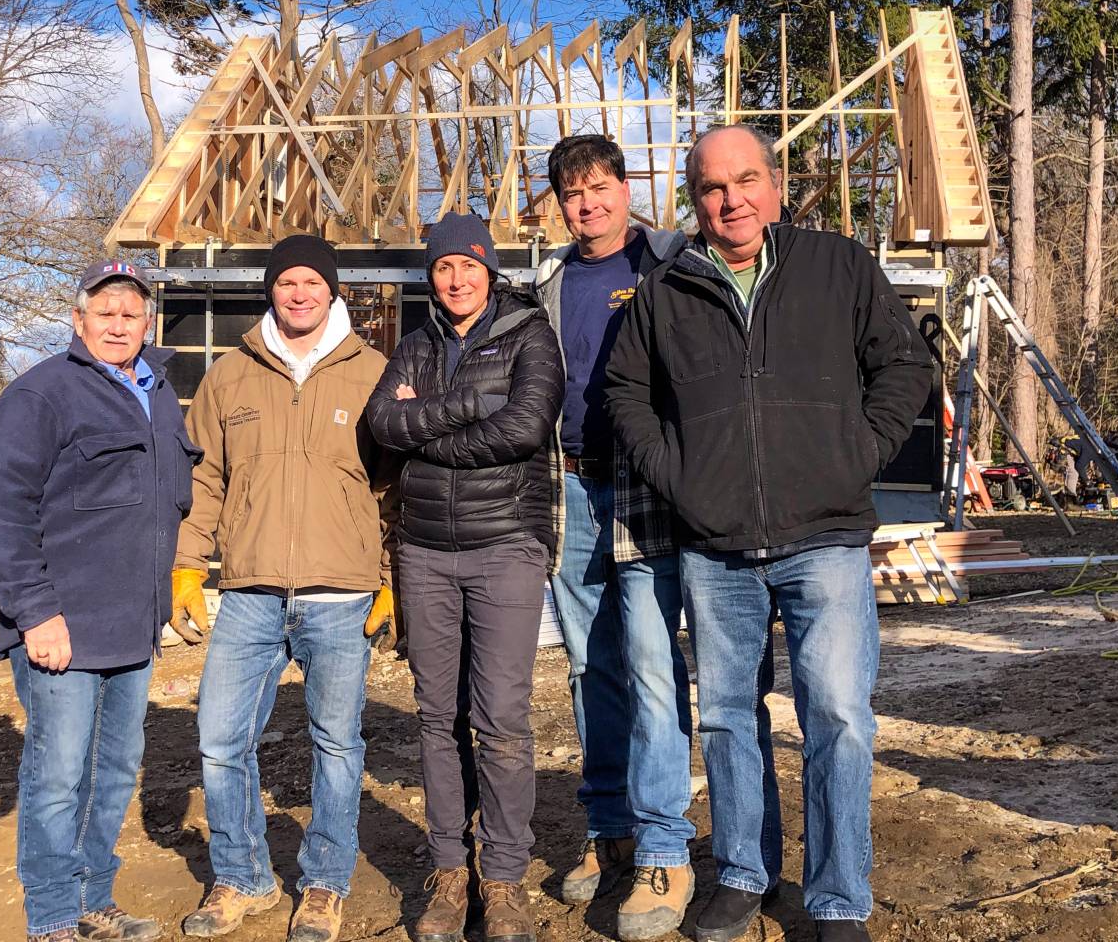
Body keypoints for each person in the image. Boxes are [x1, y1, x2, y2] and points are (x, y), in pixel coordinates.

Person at [604, 125, 932, 942]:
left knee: (839, 717)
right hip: (715, 547)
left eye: (746, 180)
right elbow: (625, 393)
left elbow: (904, 366)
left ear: (775, 184)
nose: (732, 200)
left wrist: (856, 453)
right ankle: (746, 875)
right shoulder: (666, 290)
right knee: (725, 716)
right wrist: (680, 476)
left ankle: (837, 897)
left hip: (825, 537)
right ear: (695, 199)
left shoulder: (836, 266)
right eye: (713, 188)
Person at [172, 233, 395, 942]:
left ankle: (325, 884)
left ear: (332, 291)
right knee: (219, 740)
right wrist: (187, 562)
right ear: (270, 289)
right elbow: (203, 474)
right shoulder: (230, 375)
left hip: (341, 595)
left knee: (337, 744)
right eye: (286, 282)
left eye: (312, 282)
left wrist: (390, 579)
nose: (299, 293)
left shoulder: (373, 372)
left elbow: (397, 487)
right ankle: (242, 878)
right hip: (250, 591)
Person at [0, 260, 199, 942]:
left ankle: (93, 901)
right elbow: (2, 509)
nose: (118, 325)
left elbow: (171, 496)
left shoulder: (159, 391)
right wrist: (35, 612)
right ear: (78, 320)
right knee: (57, 775)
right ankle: (50, 917)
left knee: (114, 771)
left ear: (147, 323)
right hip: (63, 626)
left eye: (131, 314)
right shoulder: (41, 395)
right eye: (104, 313)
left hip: (134, 623)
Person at [367, 212, 564, 942]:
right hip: (424, 551)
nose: (455, 279)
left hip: (505, 544)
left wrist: (430, 436)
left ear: (490, 269)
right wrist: (466, 409)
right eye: (443, 268)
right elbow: (382, 422)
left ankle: (504, 875)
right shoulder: (415, 344)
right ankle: (450, 870)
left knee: (502, 719)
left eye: (468, 266)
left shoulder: (528, 335)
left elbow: (523, 427)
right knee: (435, 716)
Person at [532, 135, 696, 939]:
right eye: (572, 193)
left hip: (644, 484)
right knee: (589, 664)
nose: (588, 203)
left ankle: (667, 844)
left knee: (652, 663)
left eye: (600, 187)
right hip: (570, 485)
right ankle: (610, 829)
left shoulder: (667, 261)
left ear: (627, 188)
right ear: (558, 203)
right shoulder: (552, 282)